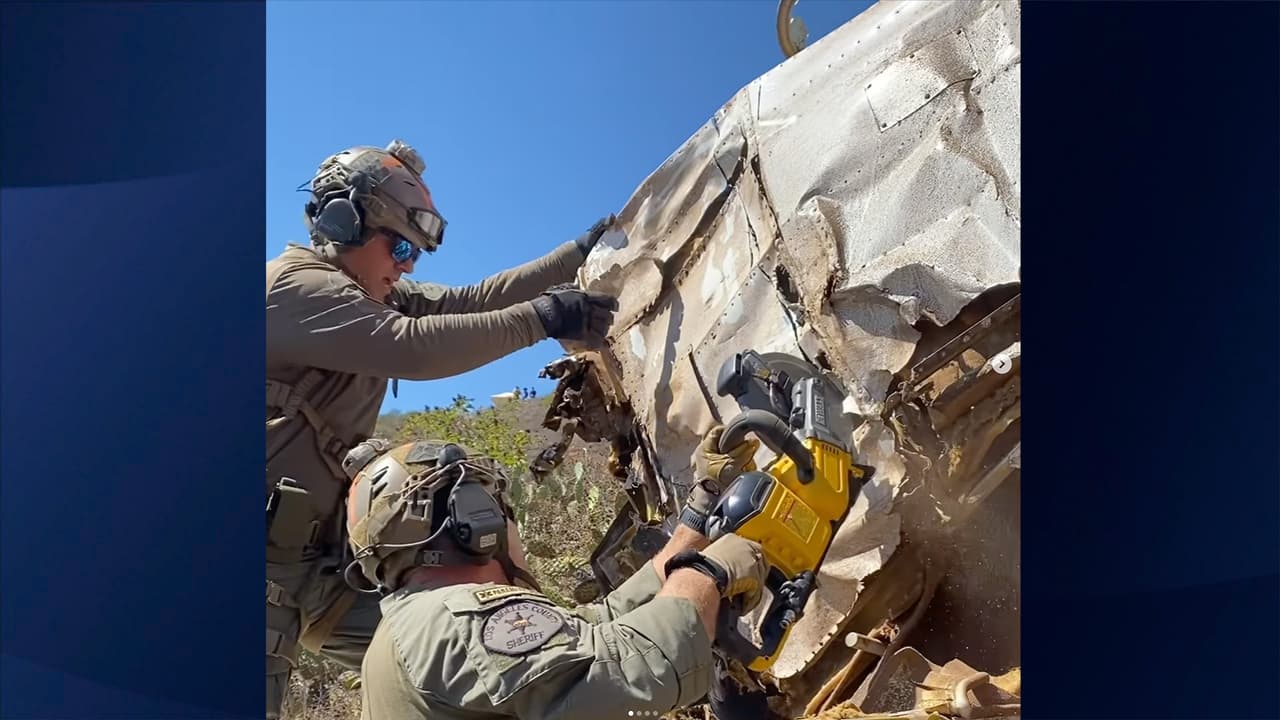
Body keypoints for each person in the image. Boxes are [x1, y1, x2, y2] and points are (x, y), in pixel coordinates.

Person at [266, 138, 619, 719]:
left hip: (327, 572)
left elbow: (474, 300)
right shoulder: (295, 288)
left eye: (416, 251)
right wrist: (545, 318)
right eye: (400, 244)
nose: (407, 263)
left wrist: (577, 253)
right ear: (343, 223)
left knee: (489, 666)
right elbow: (415, 351)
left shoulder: (374, 294)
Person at [344, 426, 765, 719]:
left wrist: (702, 507)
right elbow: (618, 682)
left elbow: (595, 629)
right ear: (475, 522)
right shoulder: (456, 617)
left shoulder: (419, 625)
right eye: (499, 509)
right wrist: (708, 573)